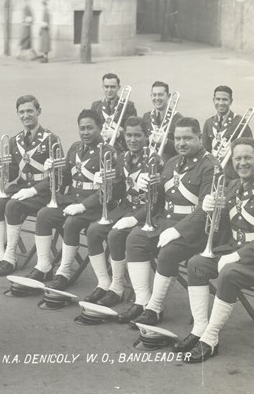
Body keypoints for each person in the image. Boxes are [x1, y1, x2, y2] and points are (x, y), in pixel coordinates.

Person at [179, 138, 254, 362]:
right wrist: (211, 209)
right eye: (238, 158)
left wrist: (236, 255)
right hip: (236, 250)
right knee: (196, 264)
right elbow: (224, 224)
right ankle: (199, 329)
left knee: (229, 273)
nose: (242, 163)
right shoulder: (233, 185)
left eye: (248, 157)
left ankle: (210, 340)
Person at [116, 117, 217, 327]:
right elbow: (160, 201)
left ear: (199, 138)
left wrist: (178, 230)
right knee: (136, 238)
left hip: (196, 230)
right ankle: (142, 301)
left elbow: (204, 210)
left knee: (169, 250)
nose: (181, 143)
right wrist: (148, 186)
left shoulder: (210, 167)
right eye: (178, 138)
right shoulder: (172, 162)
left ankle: (155, 308)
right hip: (166, 222)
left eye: (188, 138)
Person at [0, 95, 62, 277]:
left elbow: (59, 176)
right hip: (22, 187)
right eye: (22, 112)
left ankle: (10, 258)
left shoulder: (51, 139)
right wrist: (1, 168)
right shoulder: (15, 140)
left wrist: (33, 190)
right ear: (18, 114)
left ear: (38, 111)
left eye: (30, 111)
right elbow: (12, 174)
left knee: (13, 205)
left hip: (43, 191)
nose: (26, 115)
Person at [83, 116, 152, 307]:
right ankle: (104, 283)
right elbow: (119, 191)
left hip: (145, 211)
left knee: (114, 235)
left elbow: (157, 201)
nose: (132, 140)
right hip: (125, 207)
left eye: (138, 135)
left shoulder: (155, 160)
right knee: (93, 231)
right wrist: (106, 184)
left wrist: (134, 219)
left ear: (146, 136)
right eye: (129, 135)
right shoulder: (123, 157)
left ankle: (117, 287)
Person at [36, 110, 107, 290]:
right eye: (82, 128)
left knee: (72, 222)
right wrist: (53, 171)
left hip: (94, 207)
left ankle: (64, 271)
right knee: (44, 214)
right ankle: (44, 265)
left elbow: (110, 191)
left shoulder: (108, 153)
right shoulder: (75, 148)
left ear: (100, 128)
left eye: (90, 128)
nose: (85, 132)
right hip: (72, 202)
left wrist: (83, 205)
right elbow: (66, 177)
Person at [202, 86, 254, 155]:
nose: (221, 103)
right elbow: (205, 150)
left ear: (231, 101)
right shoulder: (209, 123)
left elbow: (249, 149)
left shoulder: (239, 122)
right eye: (218, 99)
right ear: (213, 100)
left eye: (225, 100)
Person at [90, 73, 137, 150]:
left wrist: (118, 134)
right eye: (106, 87)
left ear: (118, 88)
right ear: (102, 87)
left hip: (120, 148)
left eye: (113, 87)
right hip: (99, 147)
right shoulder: (96, 106)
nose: (109, 90)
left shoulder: (128, 106)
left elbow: (133, 130)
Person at [141, 81, 183, 161]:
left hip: (169, 164)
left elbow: (183, 147)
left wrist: (166, 142)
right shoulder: (146, 117)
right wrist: (147, 140)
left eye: (160, 95)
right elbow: (140, 143)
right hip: (147, 162)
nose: (157, 98)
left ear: (168, 96)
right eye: (154, 95)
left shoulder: (178, 119)